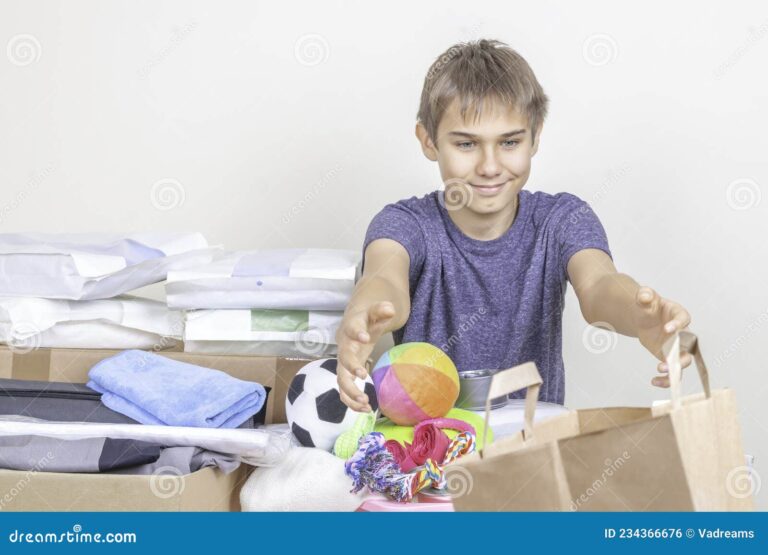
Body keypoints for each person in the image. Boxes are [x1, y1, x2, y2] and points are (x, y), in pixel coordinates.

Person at [336, 39, 692, 413]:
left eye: (509, 142)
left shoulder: (562, 220)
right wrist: (362, 314)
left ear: (535, 136)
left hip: (530, 453)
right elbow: (384, 280)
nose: (490, 166)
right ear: (428, 140)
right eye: (466, 144)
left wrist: (639, 316)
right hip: (428, 456)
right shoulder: (404, 224)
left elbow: (600, 286)